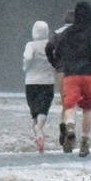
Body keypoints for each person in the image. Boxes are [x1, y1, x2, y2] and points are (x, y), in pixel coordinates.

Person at [48, 1, 91, 157]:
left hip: (63, 70)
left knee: (67, 103)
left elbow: (49, 47)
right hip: (84, 72)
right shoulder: (87, 31)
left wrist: (55, 62)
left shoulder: (59, 32)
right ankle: (79, 137)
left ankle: (65, 128)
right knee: (85, 107)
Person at [21, 21, 54, 152]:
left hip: (31, 82)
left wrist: (25, 67)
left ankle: (38, 134)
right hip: (47, 81)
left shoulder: (30, 45)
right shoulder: (51, 45)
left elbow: (28, 58)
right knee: (43, 109)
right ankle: (39, 129)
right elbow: (55, 60)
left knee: (34, 110)